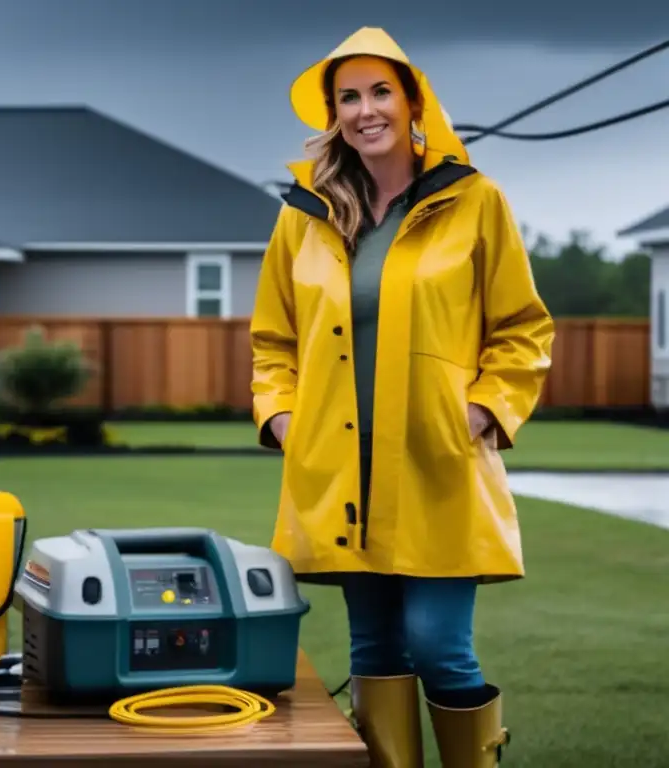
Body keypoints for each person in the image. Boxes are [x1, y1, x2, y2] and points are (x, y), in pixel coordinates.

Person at [250, 27, 555, 768]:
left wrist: (484, 408)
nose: (365, 110)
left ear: (413, 101)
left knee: (437, 645)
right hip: (340, 470)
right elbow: (273, 341)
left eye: (379, 91)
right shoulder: (305, 214)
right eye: (348, 97)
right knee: (375, 649)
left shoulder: (474, 201)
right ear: (334, 114)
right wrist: (284, 419)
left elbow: (521, 329)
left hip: (436, 461)